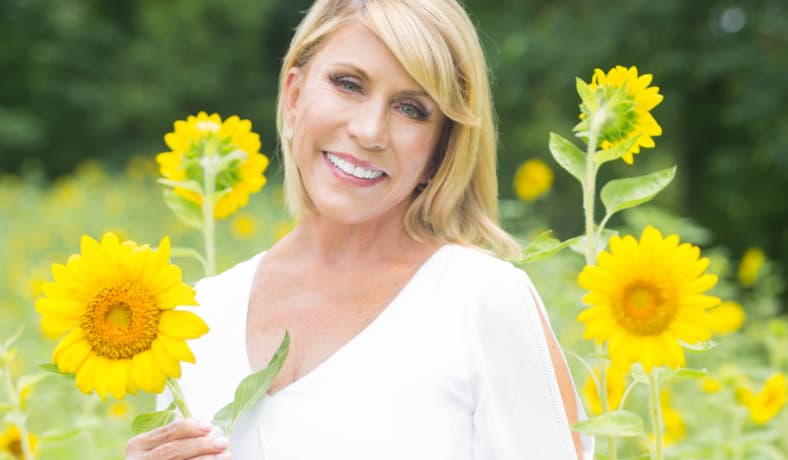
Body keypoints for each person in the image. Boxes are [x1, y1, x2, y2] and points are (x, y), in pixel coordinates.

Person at [127, 0, 594, 458]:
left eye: (411, 109)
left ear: (439, 150)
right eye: (348, 84)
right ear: (293, 97)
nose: (371, 130)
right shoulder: (199, 314)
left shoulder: (482, 301)